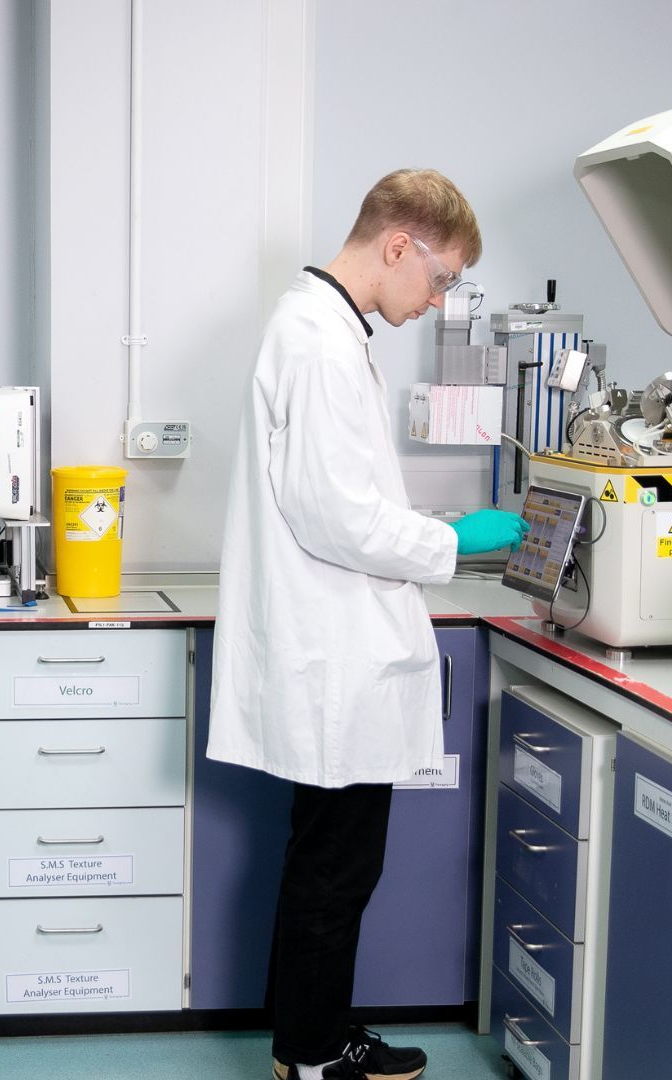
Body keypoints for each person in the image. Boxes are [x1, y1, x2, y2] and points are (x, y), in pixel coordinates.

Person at [208, 169, 527, 1080]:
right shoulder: (314, 341)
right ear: (398, 246)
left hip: (333, 645)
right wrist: (453, 540)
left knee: (329, 861)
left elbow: (339, 494)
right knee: (336, 870)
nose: (438, 300)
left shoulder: (330, 333)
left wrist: (434, 537)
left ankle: (309, 1039)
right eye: (442, 278)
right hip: (329, 652)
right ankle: (312, 1056)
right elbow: (335, 515)